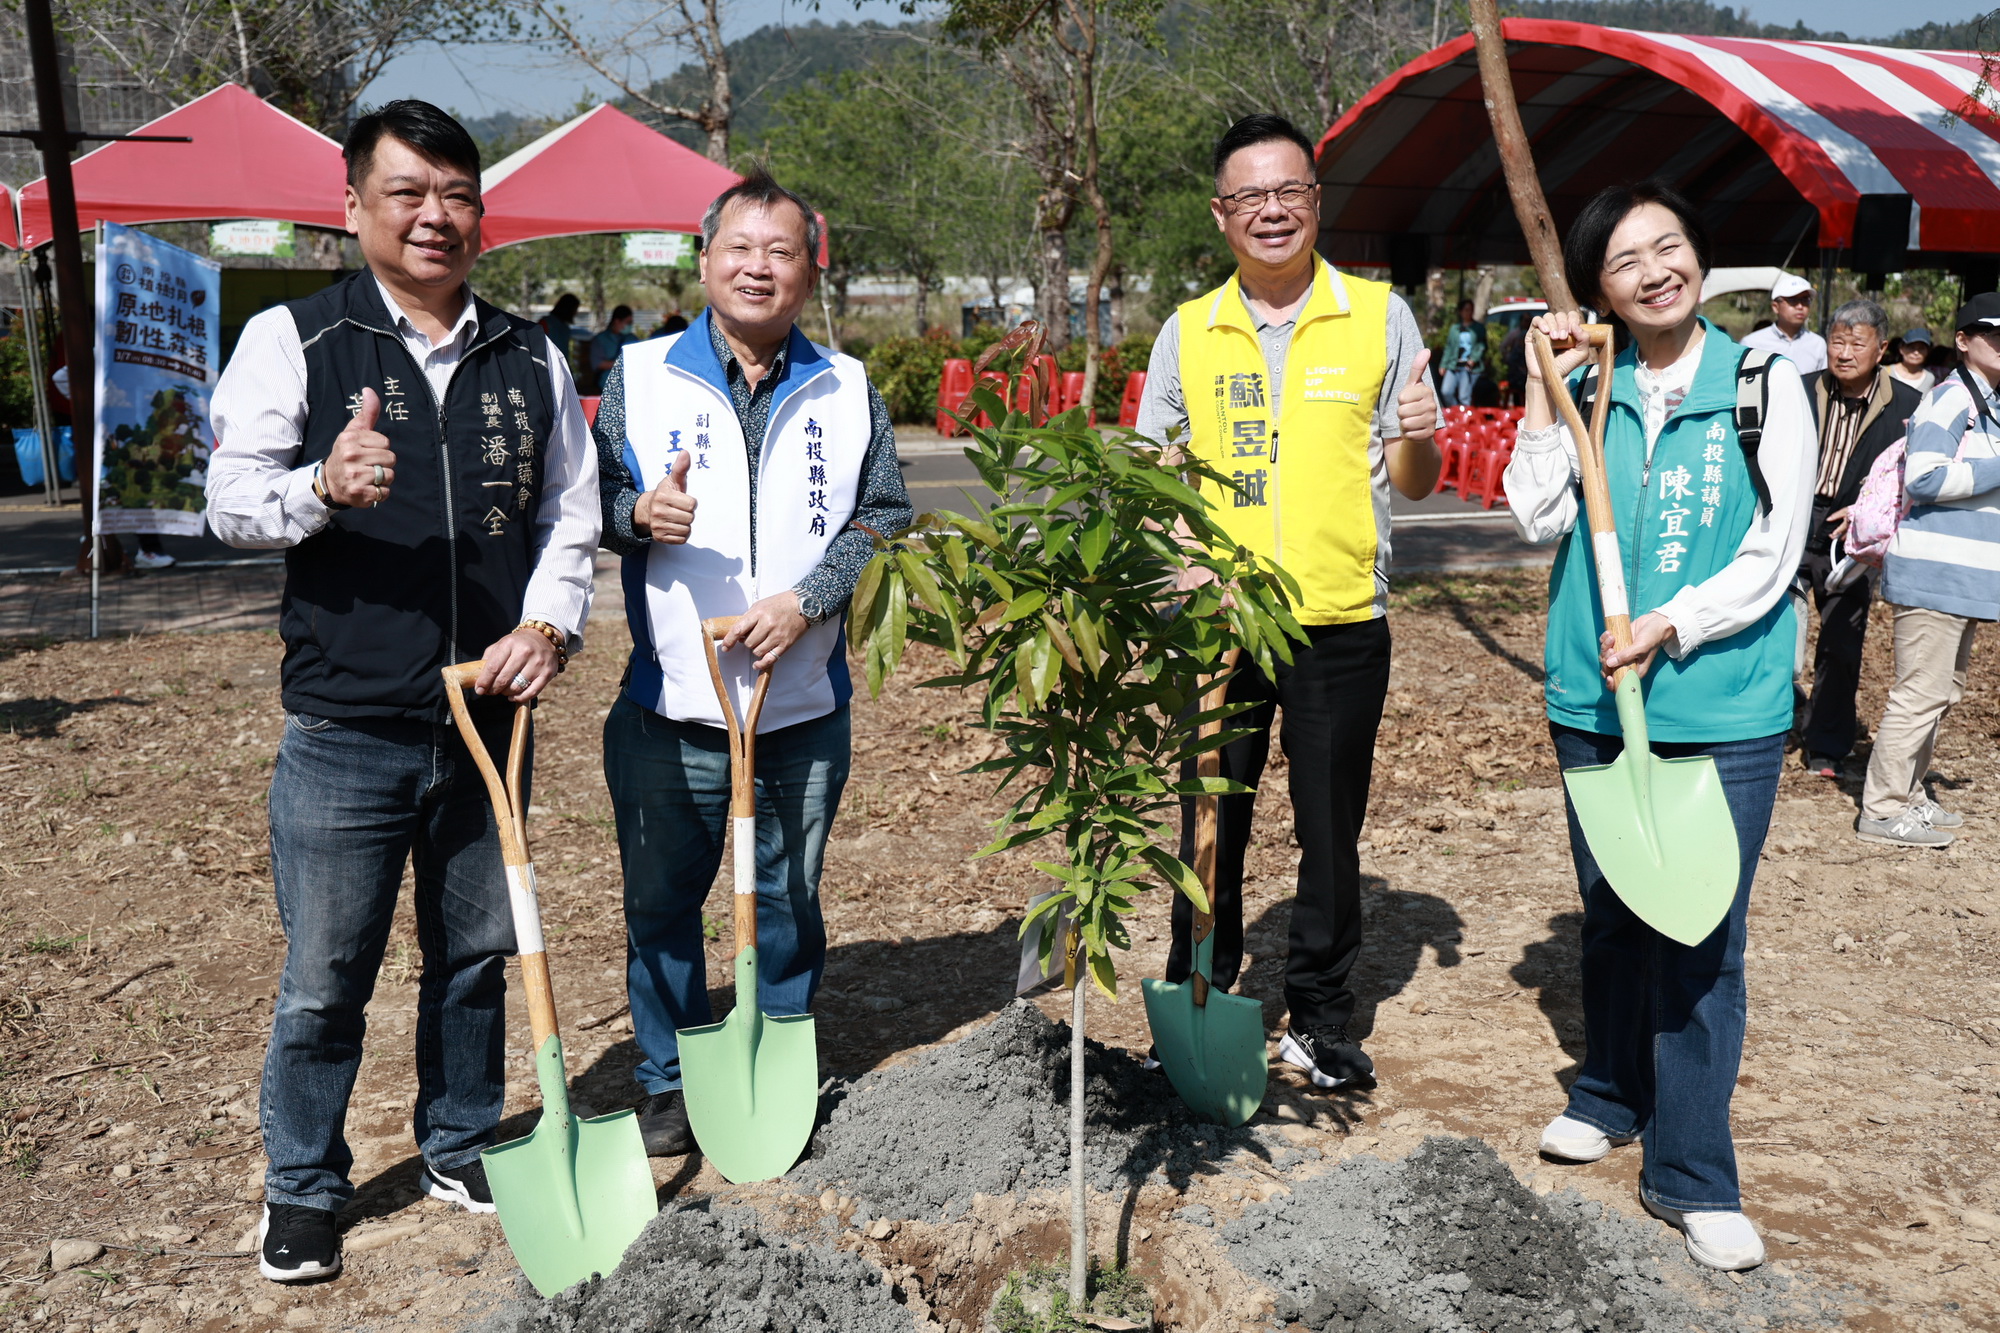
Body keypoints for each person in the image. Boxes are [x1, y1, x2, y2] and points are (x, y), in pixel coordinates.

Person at [206, 100, 601, 1283]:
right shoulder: (297, 339)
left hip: (490, 717)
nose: (436, 216)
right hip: (347, 724)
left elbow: (569, 517)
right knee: (327, 973)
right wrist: (321, 483)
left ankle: (459, 1140)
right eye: (408, 193)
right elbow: (228, 499)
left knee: (476, 951)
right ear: (352, 207)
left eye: (456, 193)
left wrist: (549, 623)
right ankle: (304, 1186)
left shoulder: (527, 352)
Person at [1505, 181, 1813, 1273]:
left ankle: (1690, 1171)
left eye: (1667, 246)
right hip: (1593, 699)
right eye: (1624, 260)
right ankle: (1607, 1092)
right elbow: (1534, 513)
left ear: (1697, 257)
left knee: (1695, 933)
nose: (1652, 270)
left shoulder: (1763, 379)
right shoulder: (1588, 382)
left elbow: (1776, 548)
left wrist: (1669, 623)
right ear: (1596, 288)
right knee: (1607, 911)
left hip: (1716, 700)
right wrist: (1543, 395)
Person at [592, 167, 911, 1156]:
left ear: (809, 271)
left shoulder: (845, 387)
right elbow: (591, 503)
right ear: (704, 259)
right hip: (671, 704)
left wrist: (806, 601)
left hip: (802, 704)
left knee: (784, 900)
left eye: (781, 251)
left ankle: (775, 1061)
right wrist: (638, 513)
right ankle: (668, 1079)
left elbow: (884, 517)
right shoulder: (640, 378)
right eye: (739, 247)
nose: (757, 267)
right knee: (661, 904)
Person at [1135, 113, 1439, 1092]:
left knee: (1327, 826)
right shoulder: (1188, 330)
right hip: (1217, 622)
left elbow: (1418, 477)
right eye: (1249, 196)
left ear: (1315, 201)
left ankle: (1318, 1016)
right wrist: (1182, 562)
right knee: (1207, 818)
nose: (1271, 210)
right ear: (1220, 214)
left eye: (1289, 191)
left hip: (1338, 620)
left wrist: (1423, 435)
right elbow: (1155, 475)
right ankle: (1200, 984)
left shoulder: (1378, 317)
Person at [1856, 292, 2000, 847]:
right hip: (1936, 575)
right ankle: (1884, 808)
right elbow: (1925, 478)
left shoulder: (1983, 402)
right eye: (1991, 334)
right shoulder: (1948, 399)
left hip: (1962, 578)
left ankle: (1910, 796)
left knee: (1941, 692)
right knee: (1920, 693)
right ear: (1962, 341)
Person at [1795, 299, 1920, 779]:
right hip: (1792, 521)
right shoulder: (1803, 390)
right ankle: (1773, 717)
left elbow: (1912, 473)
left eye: (1856, 342)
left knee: (1841, 641)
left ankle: (1825, 743)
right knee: (1770, 630)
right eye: (1836, 341)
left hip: (1850, 534)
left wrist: (1871, 508)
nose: (1843, 353)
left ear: (1882, 348)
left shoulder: (1907, 406)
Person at [1740, 272, 1826, 374]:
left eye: (1805, 300)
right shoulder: (1752, 343)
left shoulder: (1818, 344)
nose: (1800, 306)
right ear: (1775, 307)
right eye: (1793, 300)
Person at [1441, 299, 1486, 407]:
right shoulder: (1454, 328)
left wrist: (1474, 359)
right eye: (1466, 310)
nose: (1468, 312)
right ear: (1461, 312)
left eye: (1471, 310)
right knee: (1446, 391)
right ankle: (1456, 412)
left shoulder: (1478, 328)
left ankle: (1464, 418)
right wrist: (1443, 364)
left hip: (1468, 367)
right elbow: (1449, 347)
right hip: (1453, 365)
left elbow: (1481, 346)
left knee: (1464, 396)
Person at [587, 304, 636, 392]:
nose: (630, 326)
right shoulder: (600, 339)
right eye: (628, 323)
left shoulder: (632, 339)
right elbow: (597, 364)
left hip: (630, 387)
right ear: (617, 321)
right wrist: (623, 363)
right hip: (606, 387)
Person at [541, 292, 581, 370]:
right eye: (575, 309)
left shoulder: (565, 327)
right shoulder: (545, 323)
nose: (576, 313)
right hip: (549, 366)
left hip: (562, 366)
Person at [1889, 327, 1936, 394]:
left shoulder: (1929, 378)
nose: (1916, 352)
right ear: (1901, 349)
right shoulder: (1886, 372)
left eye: (1921, 348)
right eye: (1911, 347)